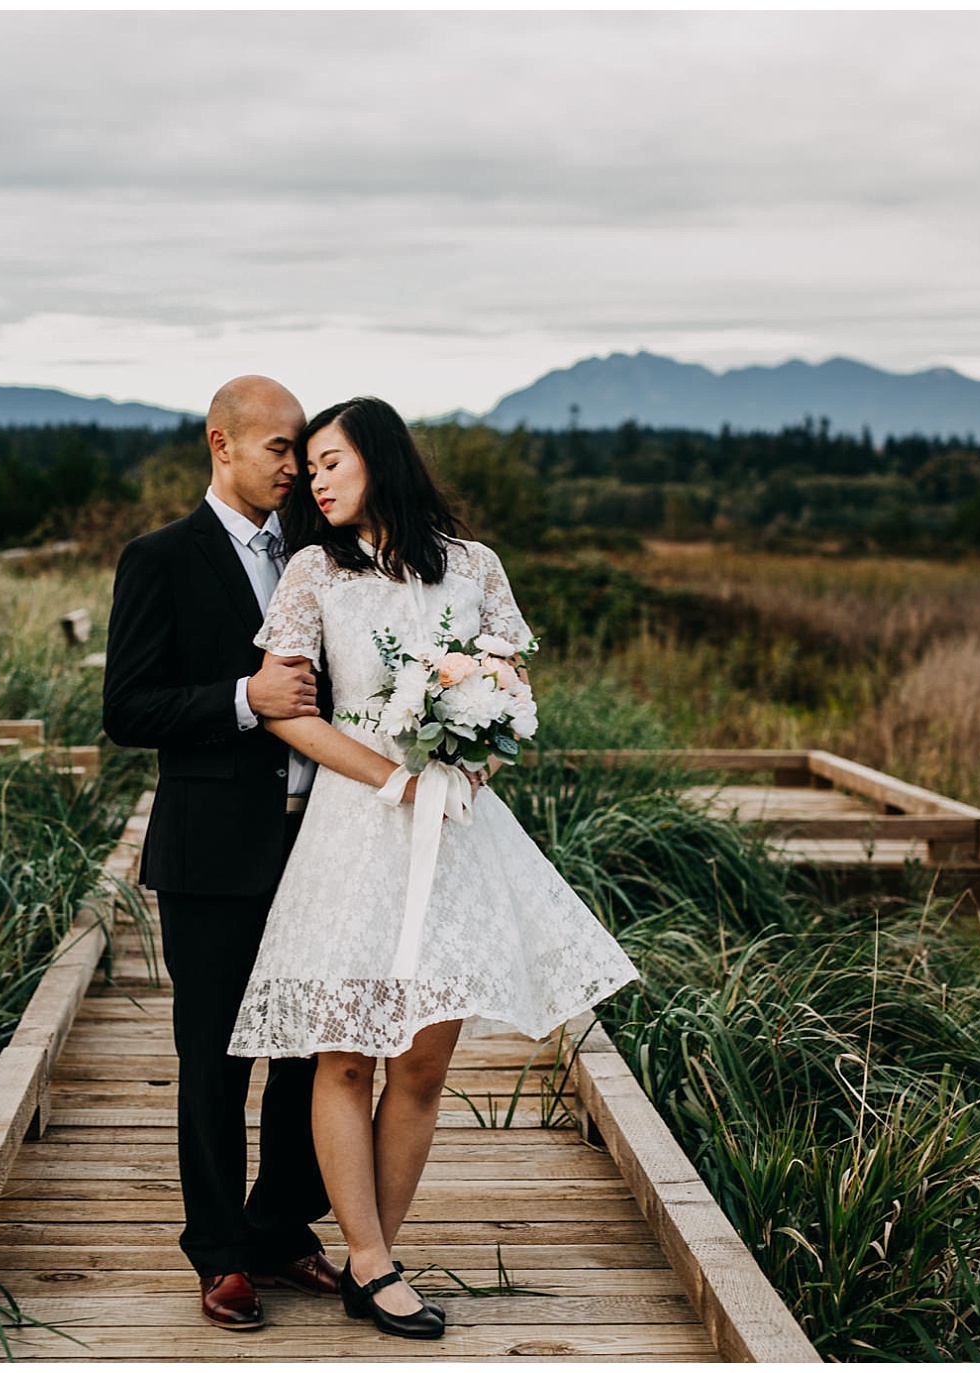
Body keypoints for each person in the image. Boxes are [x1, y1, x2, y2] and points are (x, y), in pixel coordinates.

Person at [227, 396, 640, 1340]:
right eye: (310, 465)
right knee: (345, 1049)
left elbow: (510, 689)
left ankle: (379, 1253)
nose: (315, 480)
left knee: (421, 1056)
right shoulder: (313, 572)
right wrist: (390, 777)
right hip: (355, 826)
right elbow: (291, 709)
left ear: (380, 459)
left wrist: (474, 752)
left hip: (457, 829)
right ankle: (369, 1263)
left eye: (331, 462)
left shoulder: (475, 567)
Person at [101, 375, 343, 1331]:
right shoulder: (159, 559)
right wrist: (247, 699)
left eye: (302, 450)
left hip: (319, 844)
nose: (294, 466)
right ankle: (221, 1253)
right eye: (279, 448)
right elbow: (128, 708)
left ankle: (284, 1228)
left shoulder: (324, 557)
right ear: (222, 444)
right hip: (210, 853)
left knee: (304, 1050)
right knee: (213, 1059)